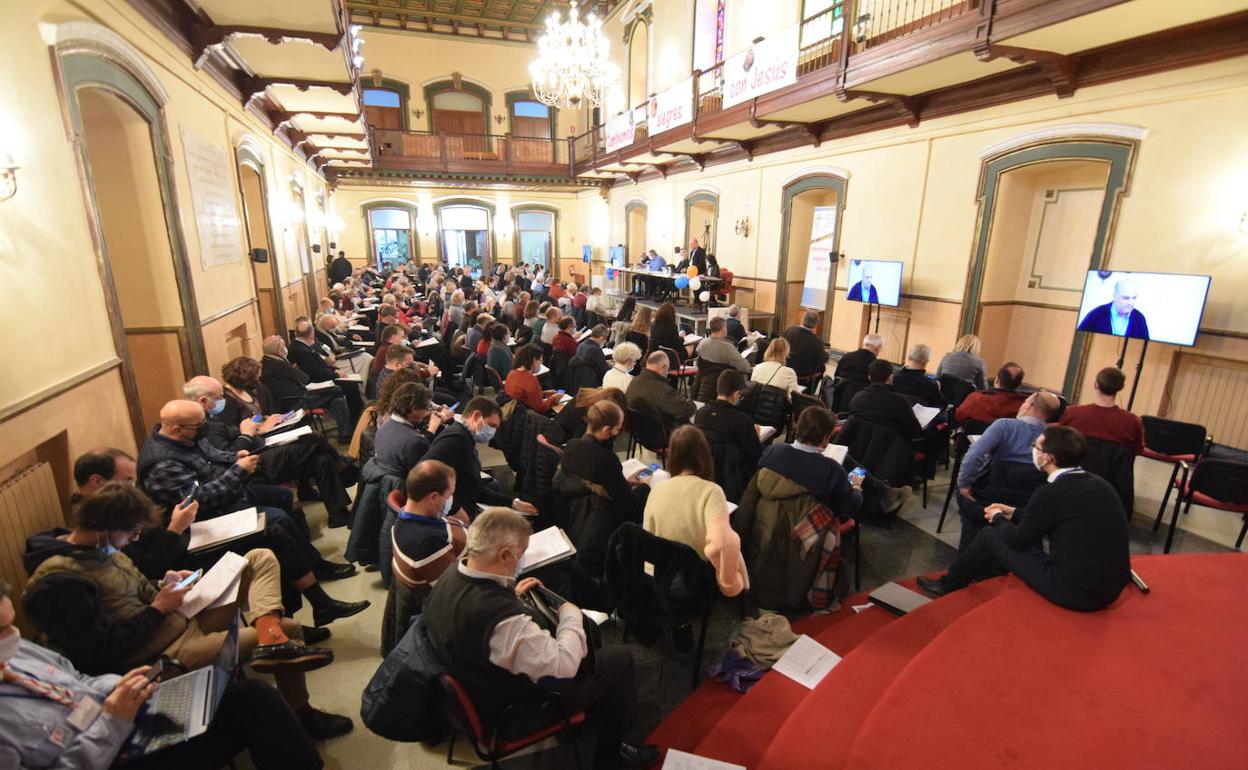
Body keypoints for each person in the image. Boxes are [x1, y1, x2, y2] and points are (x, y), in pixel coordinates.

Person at [21, 484, 354, 739]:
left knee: (259, 557)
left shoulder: (97, 549)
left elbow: (124, 591)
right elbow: (97, 654)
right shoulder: (61, 583)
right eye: (132, 533)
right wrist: (157, 607)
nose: (134, 539)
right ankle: (303, 715)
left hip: (178, 619)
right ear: (105, 528)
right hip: (159, 654)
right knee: (293, 629)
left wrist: (161, 582)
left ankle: (269, 632)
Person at [0, 578, 325, 770]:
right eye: (1, 630)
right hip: (110, 755)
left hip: (123, 719)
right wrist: (113, 721)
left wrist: (119, 686)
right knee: (254, 706)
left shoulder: (18, 651)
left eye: (10, 624)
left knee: (248, 696)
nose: (13, 635)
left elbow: (79, 679)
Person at [424, 509, 657, 769]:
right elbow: (563, 668)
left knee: (592, 652)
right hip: (514, 710)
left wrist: (511, 594)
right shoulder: (501, 620)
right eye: (521, 554)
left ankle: (594, 714)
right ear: (504, 555)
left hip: (474, 680)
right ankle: (611, 756)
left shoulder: (452, 574)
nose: (522, 560)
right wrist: (571, 615)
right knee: (619, 659)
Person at [72, 448, 364, 633]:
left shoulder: (115, 507)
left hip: (186, 542)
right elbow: (150, 564)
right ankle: (297, 616)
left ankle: (294, 616)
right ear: (97, 481)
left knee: (274, 528)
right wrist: (174, 528)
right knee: (272, 531)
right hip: (179, 564)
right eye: (126, 480)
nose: (133, 486)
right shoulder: (100, 522)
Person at [917, 426, 1131, 612]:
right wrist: (1013, 512)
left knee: (989, 535)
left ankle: (947, 586)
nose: (1033, 451)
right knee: (1004, 533)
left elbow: (1017, 540)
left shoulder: (1051, 491)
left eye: (1036, 447)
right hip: (1110, 590)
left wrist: (999, 517)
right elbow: (1052, 517)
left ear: (1048, 458)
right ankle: (981, 576)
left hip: (1074, 592)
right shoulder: (1098, 484)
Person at [642, 426, 747, 596]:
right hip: (696, 578)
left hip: (664, 575)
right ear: (704, 454)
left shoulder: (656, 489)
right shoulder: (711, 491)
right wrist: (730, 584)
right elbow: (723, 543)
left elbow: (647, 537)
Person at [954, 391, 1060, 552]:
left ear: (1028, 405)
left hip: (991, 494)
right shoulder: (1054, 436)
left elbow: (975, 455)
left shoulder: (1004, 425)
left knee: (966, 499)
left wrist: (964, 484)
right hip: (1026, 502)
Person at [422, 397, 538, 518]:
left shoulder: (464, 438)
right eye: (491, 425)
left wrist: (513, 503)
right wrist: (455, 510)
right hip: (454, 517)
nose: (492, 432)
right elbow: (423, 479)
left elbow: (475, 488)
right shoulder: (456, 440)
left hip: (465, 509)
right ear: (476, 416)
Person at [559, 400, 649, 520]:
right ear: (606, 430)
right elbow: (630, 504)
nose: (618, 433)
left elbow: (593, 483)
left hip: (572, 514)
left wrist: (624, 483)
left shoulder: (570, 446)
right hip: (602, 518)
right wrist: (645, 487)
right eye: (618, 429)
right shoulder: (607, 459)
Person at [259, 335, 352, 441]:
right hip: (297, 402)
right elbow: (305, 378)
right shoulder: (279, 364)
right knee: (337, 389)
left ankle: (345, 434)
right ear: (278, 349)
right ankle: (349, 428)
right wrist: (295, 369)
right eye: (284, 346)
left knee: (338, 401)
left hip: (294, 399)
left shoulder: (266, 363)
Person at [693, 371, 762, 501]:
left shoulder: (701, 414)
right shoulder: (743, 421)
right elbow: (755, 456)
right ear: (736, 394)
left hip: (704, 472)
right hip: (733, 482)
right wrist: (756, 437)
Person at [1058, 366, 1145, 454]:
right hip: (1113, 468)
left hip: (1074, 465)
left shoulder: (1072, 413)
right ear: (1121, 387)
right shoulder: (1133, 422)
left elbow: (1058, 441)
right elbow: (1137, 450)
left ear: (1096, 384)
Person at [374, 383, 453, 476]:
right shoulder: (414, 441)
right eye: (427, 408)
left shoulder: (384, 426)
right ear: (414, 409)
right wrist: (432, 430)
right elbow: (424, 471)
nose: (429, 411)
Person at [849, 359, 924, 441]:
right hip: (890, 449)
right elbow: (915, 432)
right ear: (891, 377)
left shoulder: (857, 397)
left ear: (869, 377)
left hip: (858, 447)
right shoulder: (899, 401)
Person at [626, 351, 696, 433]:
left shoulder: (634, 382)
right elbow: (685, 409)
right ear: (663, 367)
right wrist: (691, 404)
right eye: (667, 370)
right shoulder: (662, 390)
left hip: (638, 432)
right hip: (661, 435)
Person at [955, 362, 1029, 428]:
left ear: (997, 380)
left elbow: (958, 417)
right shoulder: (1024, 407)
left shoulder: (975, 399)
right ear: (1019, 384)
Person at [1077, 279, 1150, 339]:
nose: (1130, 302)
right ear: (1115, 295)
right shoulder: (1095, 315)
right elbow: (1079, 337)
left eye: (1134, 298)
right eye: (1126, 298)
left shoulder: (1140, 318)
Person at [505, 344, 562, 414]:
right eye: (540, 361)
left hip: (515, 414)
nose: (541, 364)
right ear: (534, 360)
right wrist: (554, 399)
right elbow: (540, 409)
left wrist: (543, 393)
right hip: (527, 417)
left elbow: (525, 396)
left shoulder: (512, 373)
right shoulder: (529, 379)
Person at [782, 310, 829, 378]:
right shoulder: (817, 341)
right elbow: (824, 359)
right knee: (822, 367)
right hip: (804, 375)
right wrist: (826, 352)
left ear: (802, 319)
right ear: (816, 324)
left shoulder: (789, 330)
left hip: (785, 367)